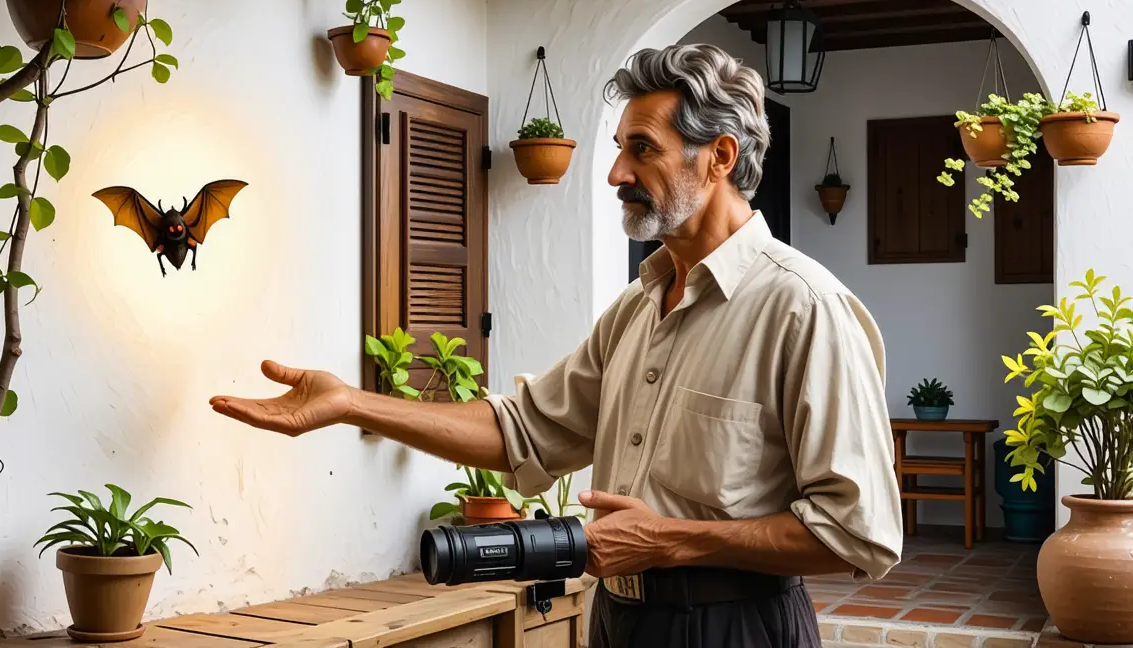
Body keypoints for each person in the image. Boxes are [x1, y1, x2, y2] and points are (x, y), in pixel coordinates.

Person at [210, 44, 903, 647]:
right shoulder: (637, 306)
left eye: (642, 149)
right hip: (620, 623)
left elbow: (858, 533)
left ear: (719, 155)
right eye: (618, 150)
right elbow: (522, 432)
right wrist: (353, 405)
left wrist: (670, 540)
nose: (615, 175)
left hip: (737, 628)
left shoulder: (803, 308)